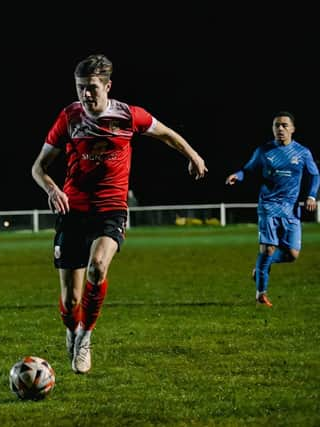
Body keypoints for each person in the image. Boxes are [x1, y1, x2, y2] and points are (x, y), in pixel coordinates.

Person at [31, 54, 207, 374]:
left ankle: (85, 337)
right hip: (73, 210)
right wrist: (52, 189)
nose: (86, 94)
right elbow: (38, 167)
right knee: (71, 301)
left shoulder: (128, 115)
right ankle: (72, 329)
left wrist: (192, 155)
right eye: (80, 87)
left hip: (111, 208)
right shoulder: (69, 118)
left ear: (107, 86)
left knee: (98, 267)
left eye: (92, 87)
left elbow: (166, 133)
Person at [225, 111, 318, 308]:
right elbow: (248, 169)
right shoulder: (264, 151)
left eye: (284, 125)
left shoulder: (302, 153)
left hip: (291, 209)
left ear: (293, 129)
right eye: (277, 125)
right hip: (268, 206)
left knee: (292, 254)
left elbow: (315, 175)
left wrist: (311, 196)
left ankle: (259, 268)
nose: (280, 129)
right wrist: (237, 175)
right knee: (268, 249)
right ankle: (261, 294)